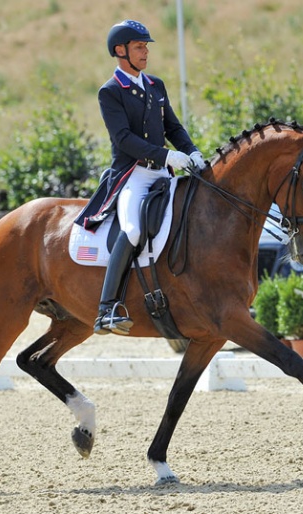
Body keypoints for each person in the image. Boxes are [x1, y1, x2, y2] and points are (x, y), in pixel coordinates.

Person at [75, 19, 205, 336]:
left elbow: (173, 127)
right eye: (138, 47)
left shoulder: (156, 86)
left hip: (164, 172)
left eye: (146, 47)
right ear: (120, 51)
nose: (145, 52)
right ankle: (107, 309)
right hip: (132, 175)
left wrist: (192, 150)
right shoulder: (110, 92)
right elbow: (124, 139)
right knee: (133, 230)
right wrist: (166, 155)